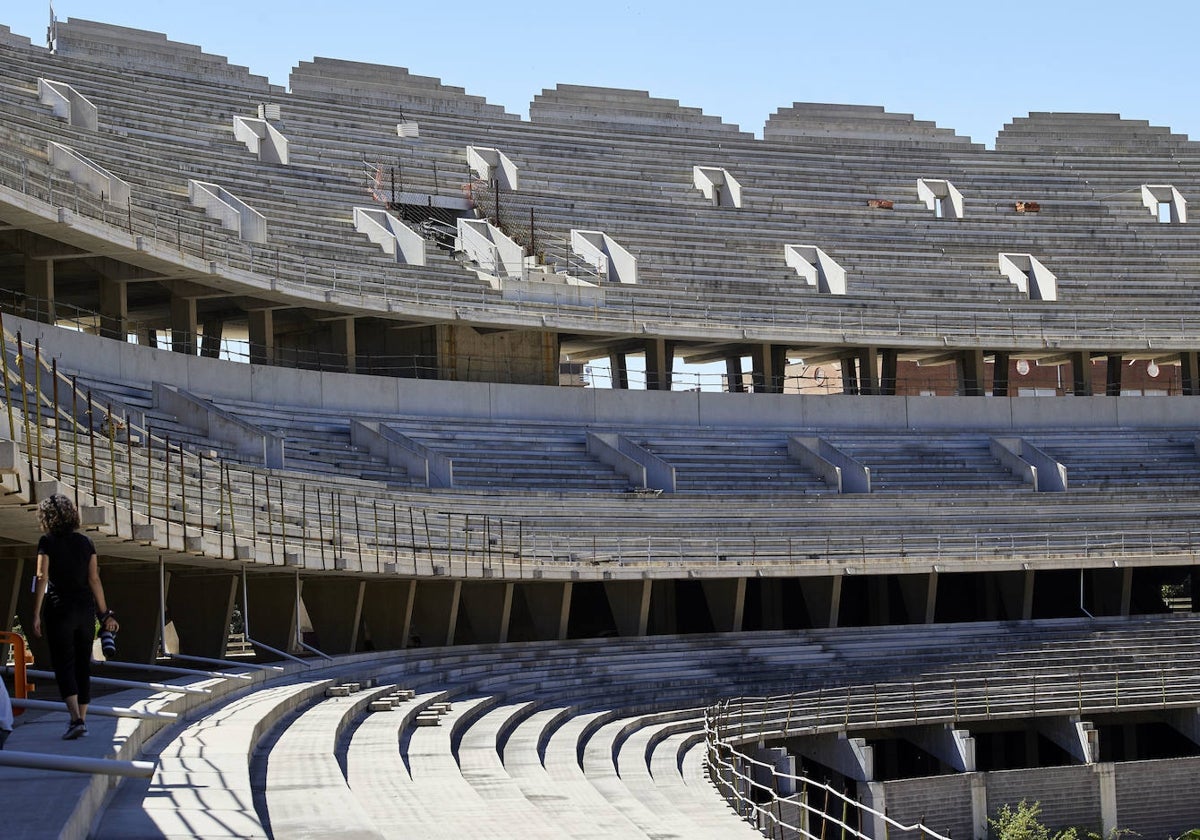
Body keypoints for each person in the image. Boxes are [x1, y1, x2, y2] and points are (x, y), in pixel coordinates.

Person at [31, 494, 119, 740]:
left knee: (63, 664)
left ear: (47, 517)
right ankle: (82, 719)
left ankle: (75, 718)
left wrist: (36, 613)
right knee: (83, 664)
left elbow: (41, 577)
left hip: (60, 609)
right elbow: (94, 580)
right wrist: (104, 613)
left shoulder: (47, 541)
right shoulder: (87, 542)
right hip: (85, 611)